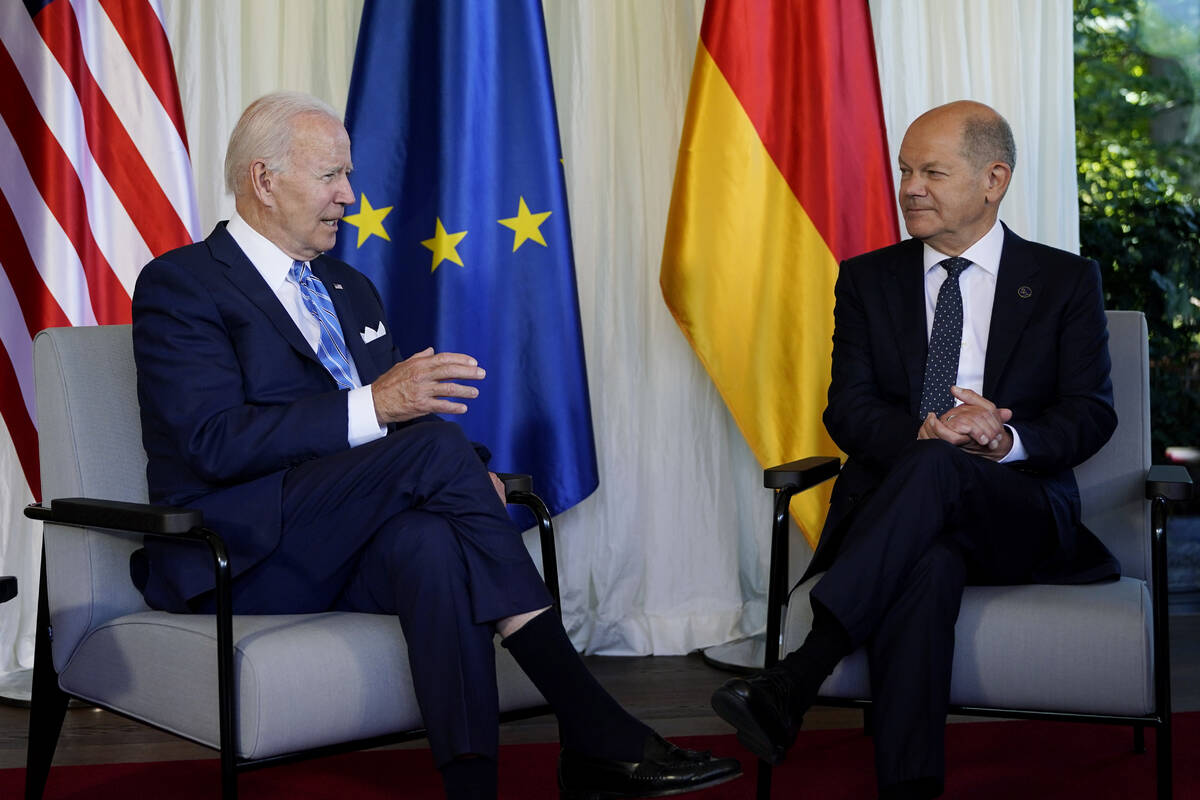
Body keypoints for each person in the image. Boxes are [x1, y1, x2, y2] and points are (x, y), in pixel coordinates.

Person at [130, 91, 740, 800]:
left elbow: (401, 429)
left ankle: (473, 787)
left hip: (348, 536)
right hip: (239, 549)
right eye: (331, 177)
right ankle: (594, 724)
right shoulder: (183, 285)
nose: (349, 197)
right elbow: (212, 444)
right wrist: (379, 407)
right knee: (433, 457)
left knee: (429, 541)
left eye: (349, 178)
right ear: (264, 180)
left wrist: (459, 473)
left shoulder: (349, 287)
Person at [710, 100, 1119, 799]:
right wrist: (924, 433)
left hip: (1016, 511)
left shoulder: (1064, 280)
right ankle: (910, 786)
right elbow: (850, 409)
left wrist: (1005, 438)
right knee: (926, 558)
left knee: (942, 466)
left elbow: (1090, 414)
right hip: (905, 517)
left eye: (932, 170)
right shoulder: (869, 279)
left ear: (994, 179)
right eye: (904, 170)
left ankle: (798, 674)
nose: (910, 187)